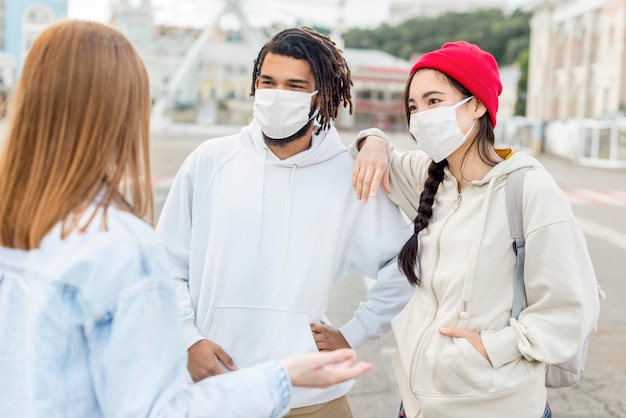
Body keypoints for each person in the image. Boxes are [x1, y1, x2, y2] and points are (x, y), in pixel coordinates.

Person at [0, 20, 374, 418]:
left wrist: (373, 141)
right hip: (240, 385)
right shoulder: (119, 243)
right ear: (122, 111)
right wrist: (279, 377)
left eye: (294, 86)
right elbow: (153, 410)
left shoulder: (16, 227)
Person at [156, 27, 413, 417]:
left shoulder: (348, 175)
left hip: (311, 399)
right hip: (215, 389)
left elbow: (404, 262)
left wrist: (353, 332)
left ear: (321, 97)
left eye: (294, 86)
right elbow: (163, 265)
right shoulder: (209, 161)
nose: (277, 95)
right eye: (268, 82)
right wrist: (188, 340)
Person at [350, 41, 600, 418]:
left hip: (496, 405)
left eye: (434, 101)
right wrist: (373, 141)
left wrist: (496, 347)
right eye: (414, 107)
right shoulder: (429, 176)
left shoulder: (528, 188)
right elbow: (372, 155)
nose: (420, 117)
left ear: (478, 104)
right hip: (418, 404)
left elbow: (572, 307)